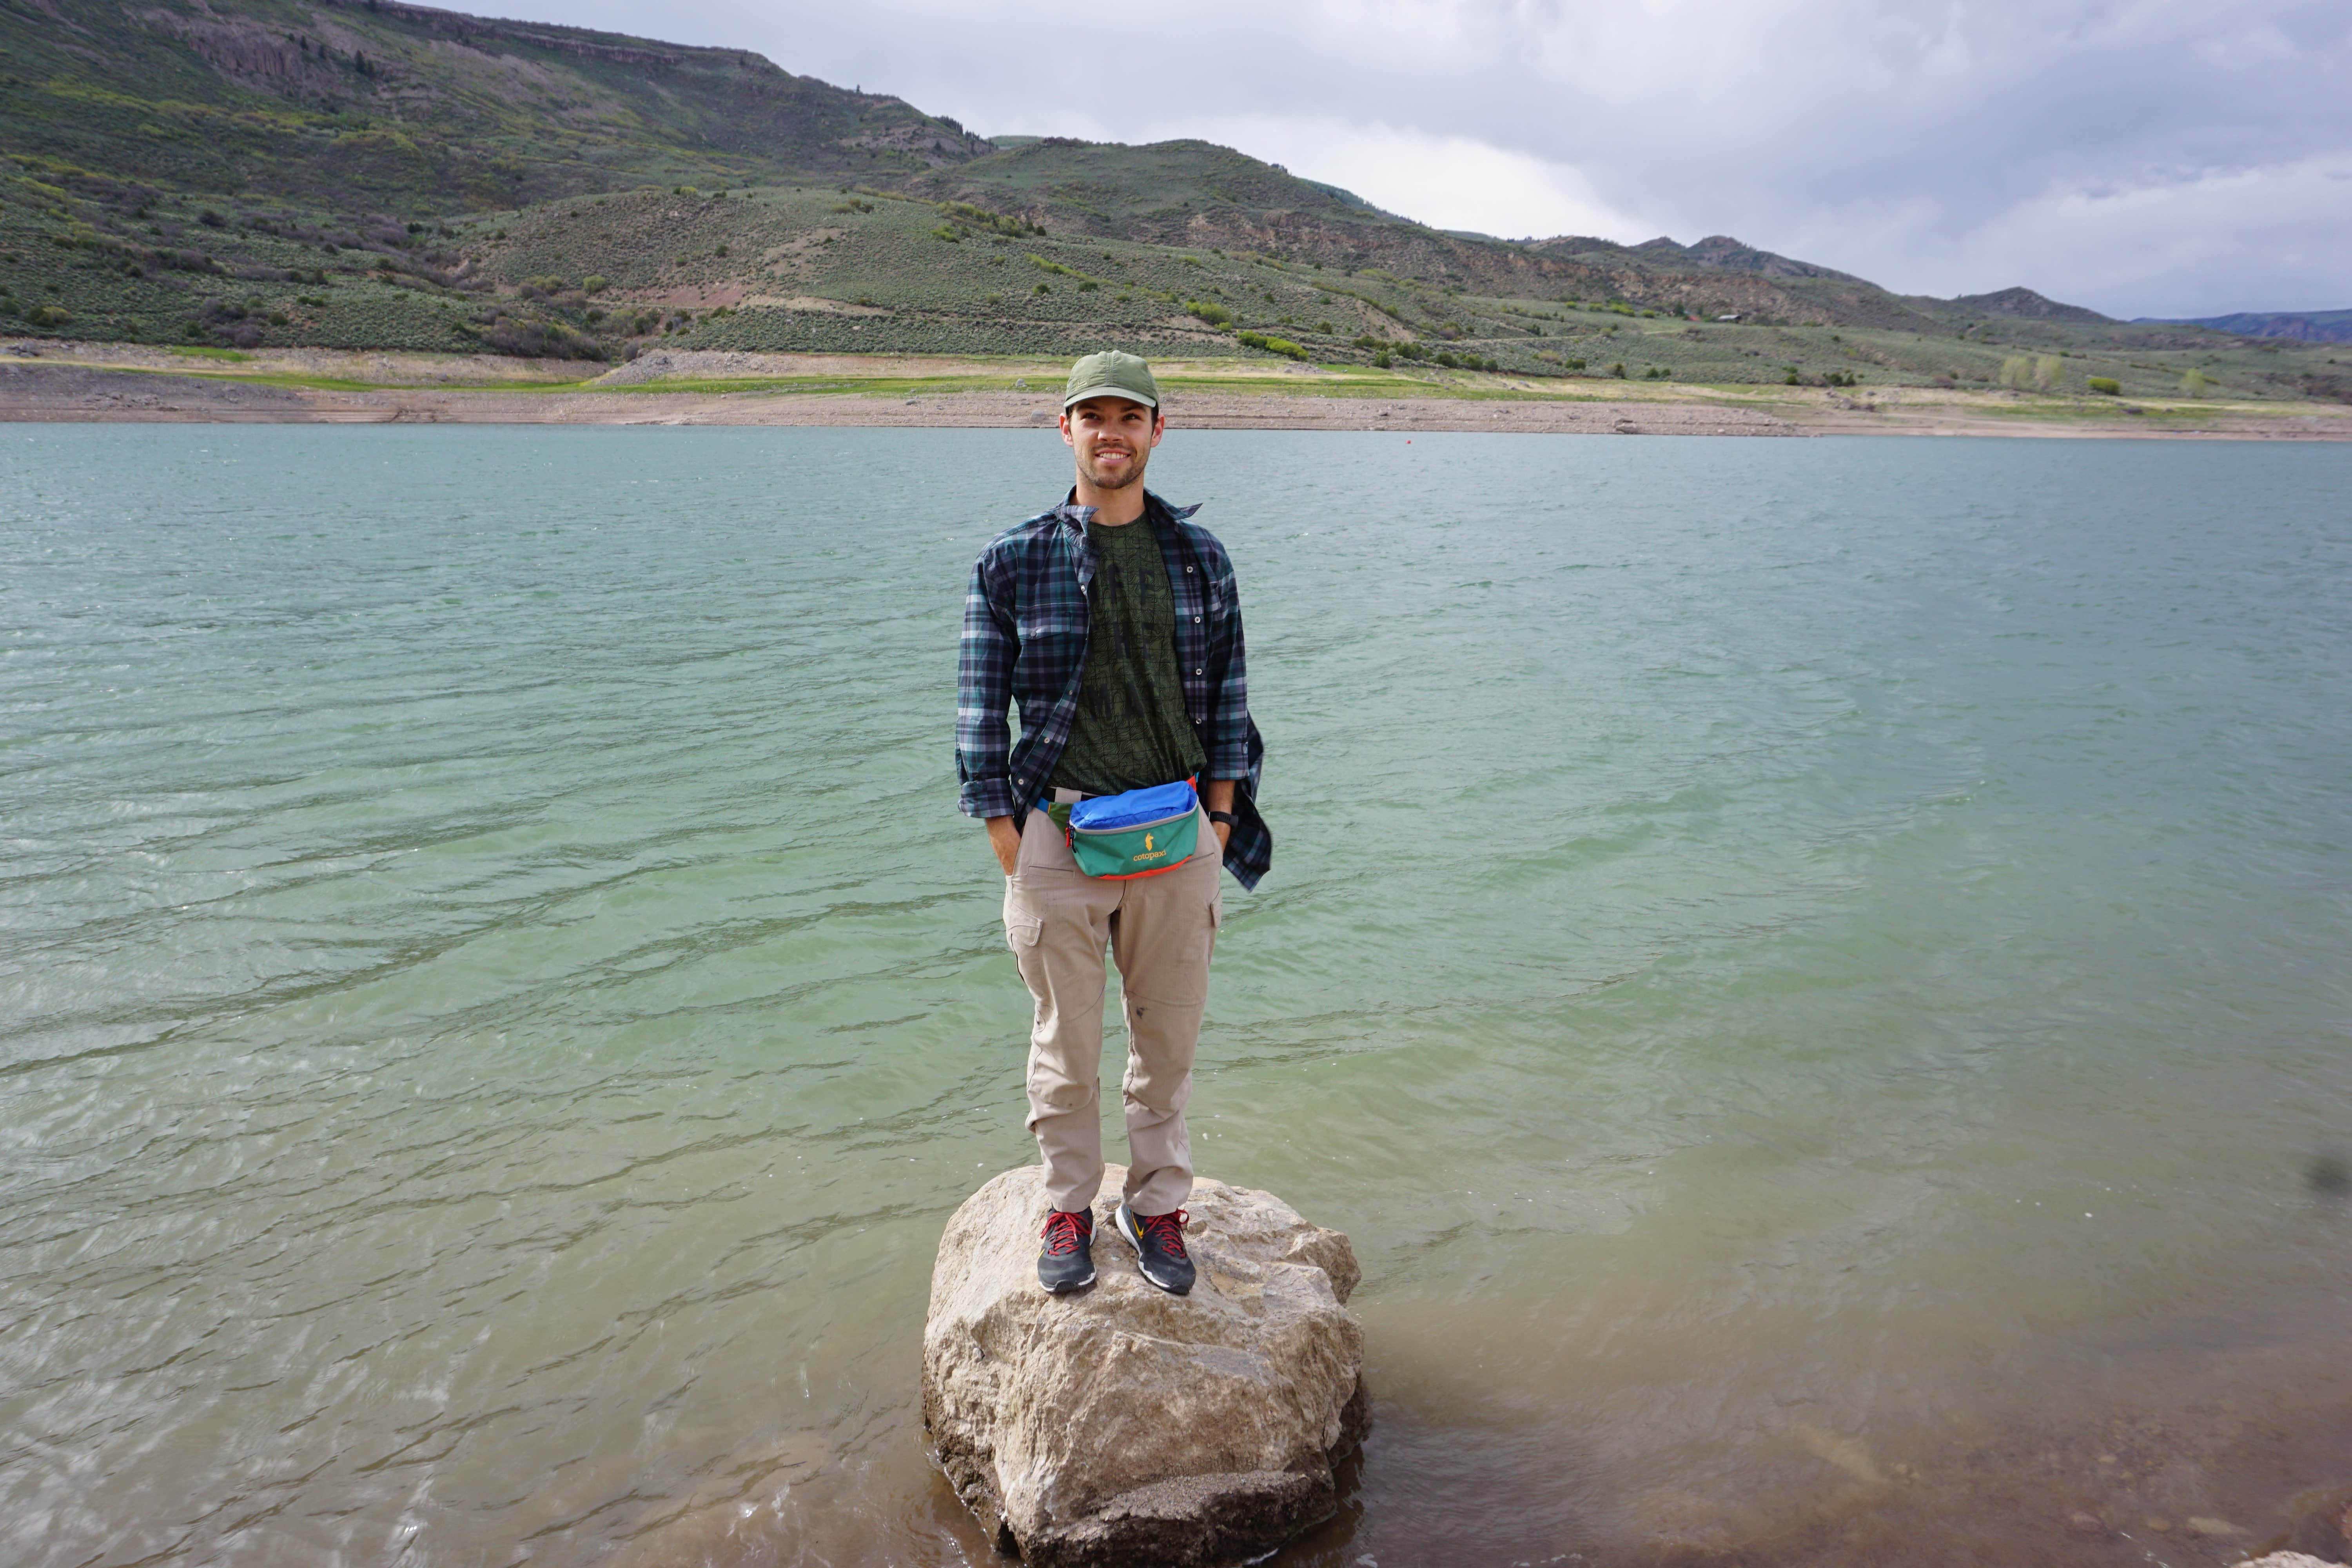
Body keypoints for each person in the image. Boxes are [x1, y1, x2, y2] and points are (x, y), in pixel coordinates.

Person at [956, 350, 1270, 1297]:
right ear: (1065, 431)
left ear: (1157, 432)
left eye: (1129, 417)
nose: (1111, 433)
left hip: (1179, 834)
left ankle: (1158, 1204)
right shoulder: (1014, 559)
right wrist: (1008, 837)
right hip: (1057, 831)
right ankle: (1067, 1203)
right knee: (1067, 1044)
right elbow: (979, 710)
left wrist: (1220, 818)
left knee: (1166, 1039)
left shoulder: (1200, 557)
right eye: (1091, 416)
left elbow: (1229, 700)